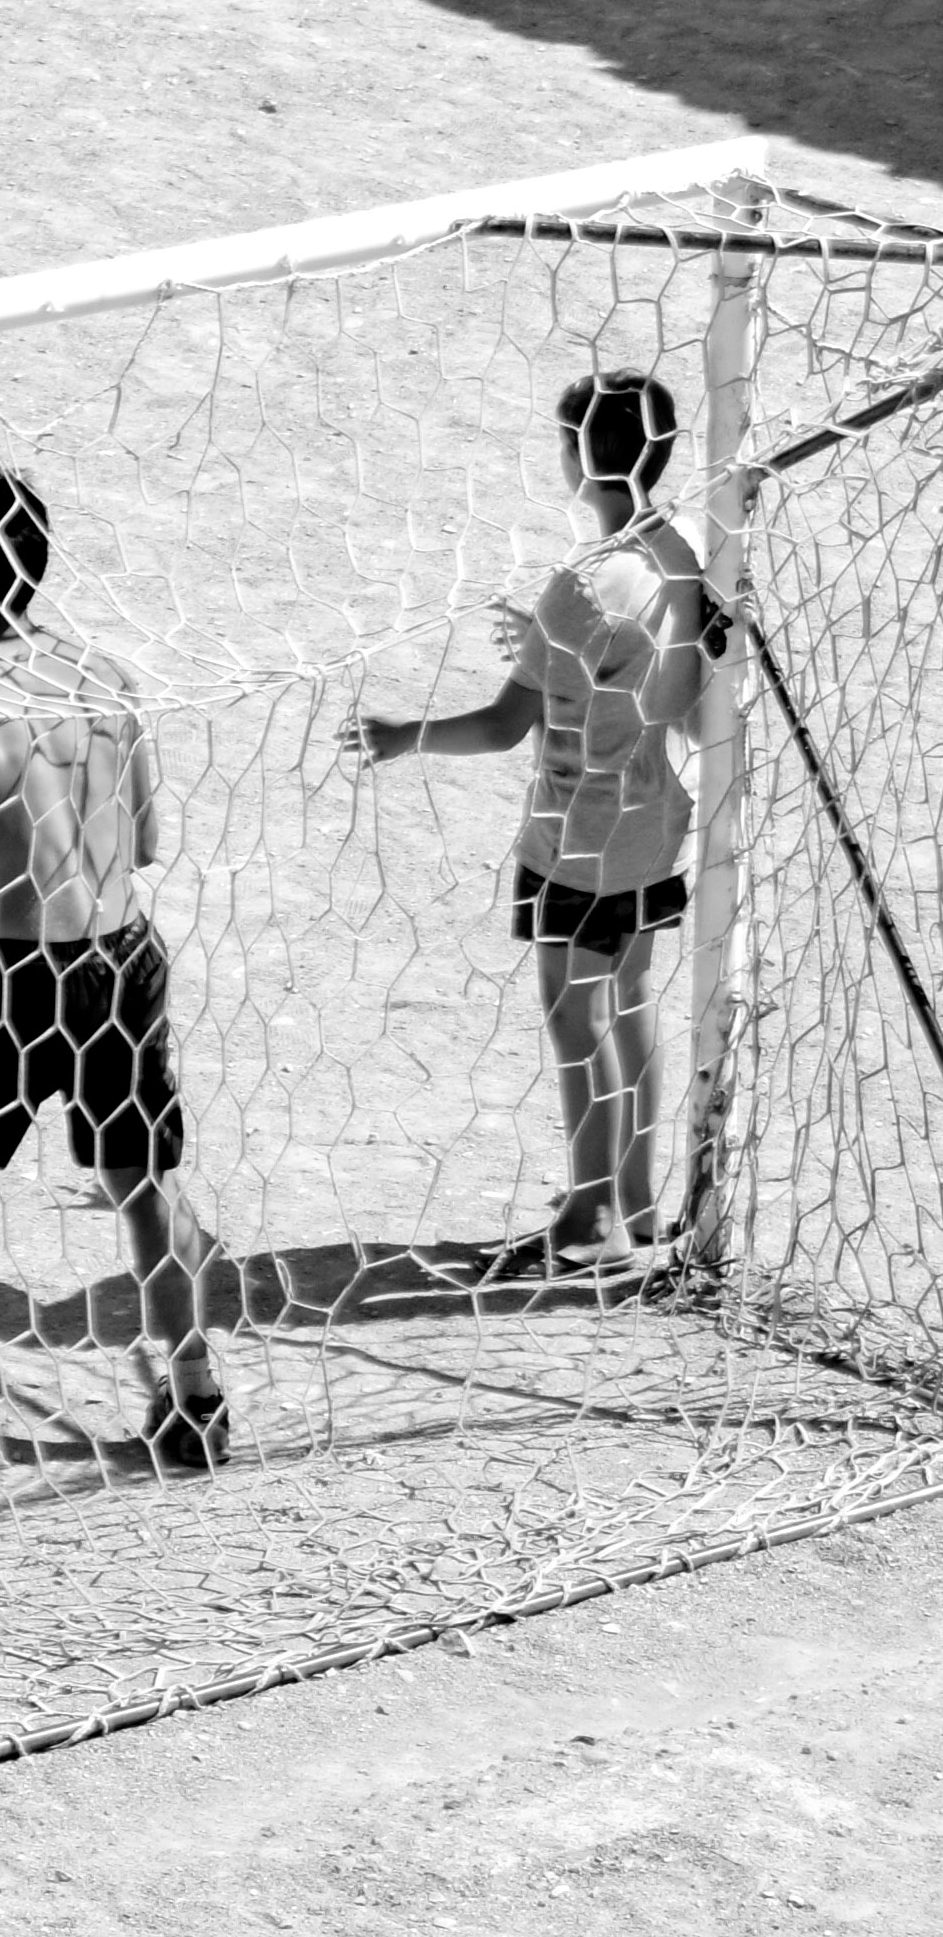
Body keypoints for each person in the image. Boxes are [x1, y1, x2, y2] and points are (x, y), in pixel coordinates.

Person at [0, 461, 229, 1486]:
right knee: (142, 1181)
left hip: (20, 978)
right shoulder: (109, 680)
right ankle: (194, 1398)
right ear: (39, 559)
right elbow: (148, 838)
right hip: (127, 959)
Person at [354, 368, 722, 1265]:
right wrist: (547, 644)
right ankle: (634, 1196)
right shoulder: (681, 556)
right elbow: (639, 670)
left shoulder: (578, 587)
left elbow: (504, 722)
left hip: (576, 834)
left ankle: (587, 1209)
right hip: (653, 821)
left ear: (573, 458)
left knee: (571, 1015)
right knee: (630, 997)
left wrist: (404, 736)